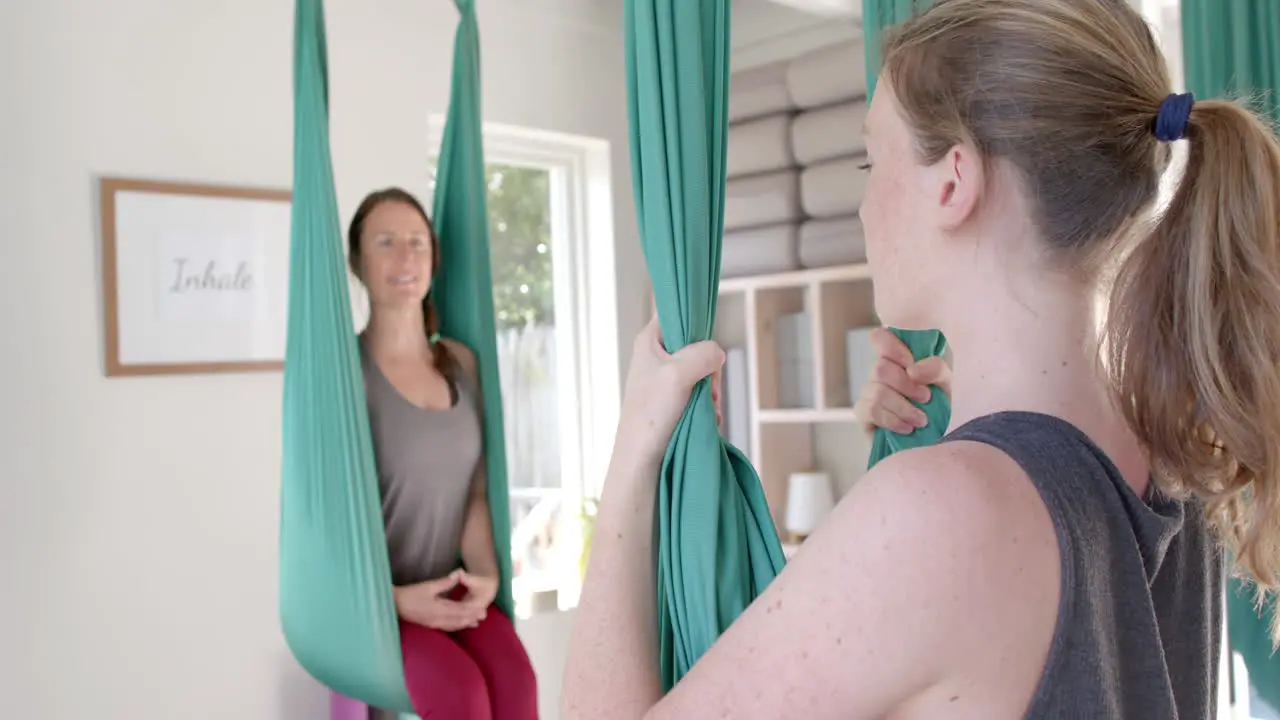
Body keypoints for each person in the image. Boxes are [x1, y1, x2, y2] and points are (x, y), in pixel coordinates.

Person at [563, 0, 1280, 717]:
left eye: (872, 159)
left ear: (953, 182)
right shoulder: (1170, 460)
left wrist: (634, 450)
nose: (865, 203)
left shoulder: (938, 514)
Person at [347, 187, 539, 719]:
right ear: (357, 261)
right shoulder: (346, 374)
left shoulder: (461, 363)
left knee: (518, 684)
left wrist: (486, 578)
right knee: (461, 697)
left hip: (454, 591)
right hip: (383, 607)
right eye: (386, 243)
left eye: (416, 243)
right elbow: (329, 528)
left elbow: (473, 492)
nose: (405, 258)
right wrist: (395, 600)